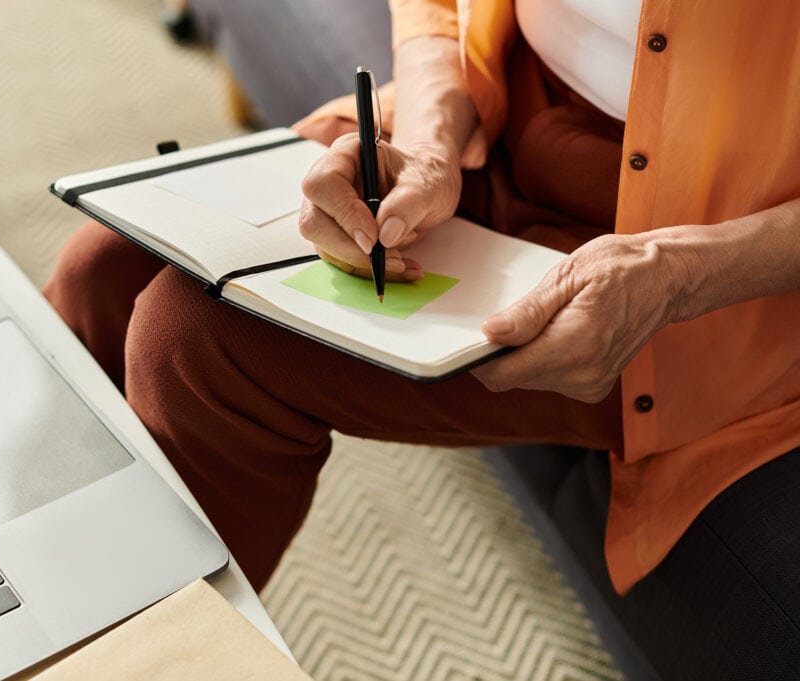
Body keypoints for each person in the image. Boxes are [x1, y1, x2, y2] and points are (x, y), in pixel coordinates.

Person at [44, 1, 800, 676]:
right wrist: (435, 132)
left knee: (195, 340)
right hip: (499, 112)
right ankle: (15, 599)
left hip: (701, 247)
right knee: (97, 267)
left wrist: (671, 273)